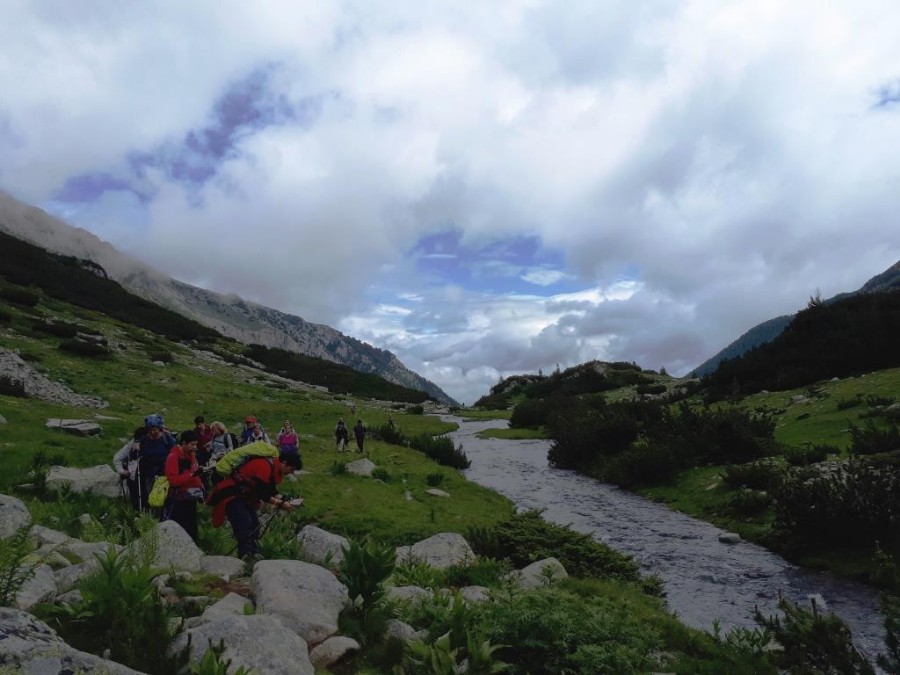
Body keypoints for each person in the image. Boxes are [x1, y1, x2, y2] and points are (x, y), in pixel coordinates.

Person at [206, 453, 302, 559]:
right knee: (245, 524)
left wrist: (284, 499)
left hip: (244, 497)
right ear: (284, 463)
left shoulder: (271, 466)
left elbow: (270, 489)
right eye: (291, 469)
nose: (291, 472)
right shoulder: (264, 466)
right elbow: (262, 492)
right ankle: (245, 555)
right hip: (232, 495)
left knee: (255, 525)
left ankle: (253, 553)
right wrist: (280, 503)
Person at [162, 429, 204, 542]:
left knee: (192, 528)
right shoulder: (173, 457)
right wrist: (191, 474)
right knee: (180, 528)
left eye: (196, 444)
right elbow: (173, 480)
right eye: (192, 444)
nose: (195, 447)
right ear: (184, 443)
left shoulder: (191, 455)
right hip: (177, 500)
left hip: (190, 498)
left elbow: (194, 472)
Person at [137, 414, 177, 511]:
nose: (152, 432)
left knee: (164, 496)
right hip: (150, 473)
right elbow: (137, 455)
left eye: (155, 429)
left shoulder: (167, 439)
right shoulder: (144, 440)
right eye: (150, 429)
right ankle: (154, 517)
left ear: (160, 428)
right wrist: (136, 448)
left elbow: (174, 453)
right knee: (152, 497)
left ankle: (166, 516)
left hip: (164, 474)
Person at [112, 426, 146, 510]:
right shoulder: (132, 444)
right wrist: (122, 471)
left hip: (147, 477)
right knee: (136, 502)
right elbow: (117, 458)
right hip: (134, 478)